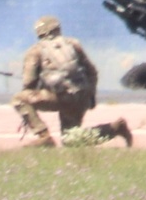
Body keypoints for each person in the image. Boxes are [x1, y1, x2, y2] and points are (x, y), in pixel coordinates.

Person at [12, 15, 132, 149]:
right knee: (71, 140)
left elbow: (28, 83)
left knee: (19, 100)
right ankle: (115, 128)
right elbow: (92, 72)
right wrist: (91, 95)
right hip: (81, 96)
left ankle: (43, 136)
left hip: (59, 96)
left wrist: (38, 85)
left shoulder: (35, 50)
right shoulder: (73, 44)